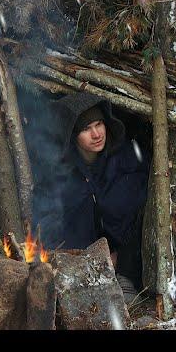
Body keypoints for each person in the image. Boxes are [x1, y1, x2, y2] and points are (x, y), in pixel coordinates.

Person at [33, 92, 149, 304]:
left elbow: (140, 215)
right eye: (86, 129)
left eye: (99, 124)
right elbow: (51, 223)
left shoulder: (126, 160)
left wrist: (121, 260)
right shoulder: (63, 174)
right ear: (72, 134)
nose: (96, 134)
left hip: (124, 265)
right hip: (81, 265)